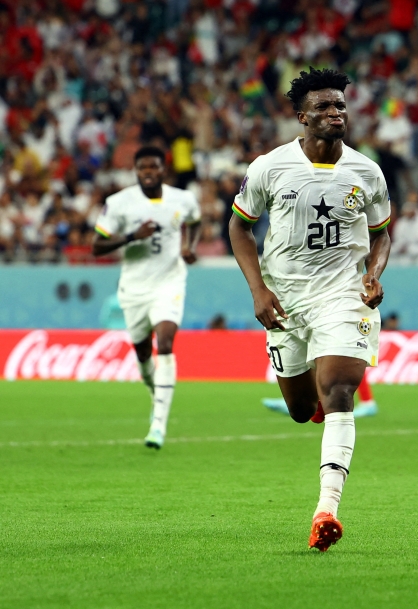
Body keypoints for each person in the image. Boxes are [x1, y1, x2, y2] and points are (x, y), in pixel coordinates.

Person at [229, 68, 392, 552]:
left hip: (344, 295)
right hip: (285, 302)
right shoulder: (270, 167)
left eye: (340, 105)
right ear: (302, 117)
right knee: (302, 410)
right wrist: (258, 290)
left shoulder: (367, 171)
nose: (335, 113)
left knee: (341, 388)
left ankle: (327, 510)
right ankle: (319, 405)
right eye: (323, 107)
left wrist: (374, 272)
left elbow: (382, 230)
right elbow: (239, 228)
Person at [92, 146, 202, 450]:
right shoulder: (119, 203)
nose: (148, 173)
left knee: (165, 344)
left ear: (163, 169)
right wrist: (131, 237)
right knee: (142, 355)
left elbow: (195, 221)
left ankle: (158, 425)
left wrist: (189, 246)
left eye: (154, 167)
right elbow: (96, 246)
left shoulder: (183, 199)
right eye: (143, 168)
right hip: (134, 289)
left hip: (169, 282)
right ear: (136, 171)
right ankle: (156, 394)